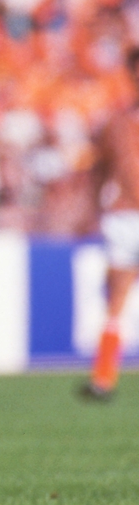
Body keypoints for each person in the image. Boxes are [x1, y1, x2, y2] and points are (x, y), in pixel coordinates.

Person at [80, 46, 139, 401]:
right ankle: (104, 377)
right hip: (125, 220)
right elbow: (99, 172)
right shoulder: (115, 125)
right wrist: (93, 209)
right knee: (116, 298)